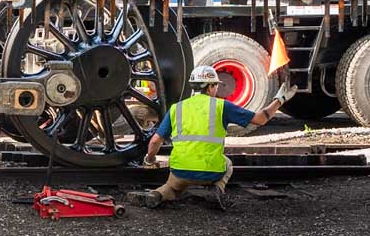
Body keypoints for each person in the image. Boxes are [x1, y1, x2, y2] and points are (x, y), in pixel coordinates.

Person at [127, 65, 297, 210]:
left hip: (180, 170)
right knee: (228, 164)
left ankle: (157, 195)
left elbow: (155, 140)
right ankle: (217, 189)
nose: (217, 89)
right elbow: (260, 119)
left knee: (172, 187)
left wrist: (149, 160)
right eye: (216, 85)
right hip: (211, 171)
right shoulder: (221, 106)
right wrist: (279, 100)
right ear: (209, 87)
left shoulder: (177, 108)